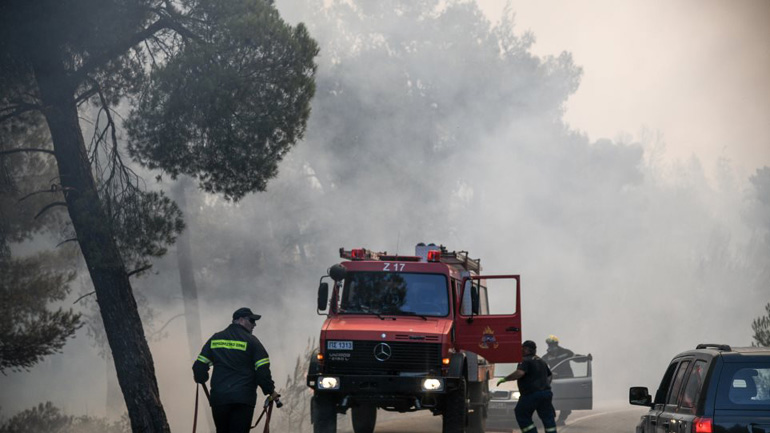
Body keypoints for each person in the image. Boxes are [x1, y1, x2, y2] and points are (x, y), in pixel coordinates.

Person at [193, 307, 279, 433]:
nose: (254, 324)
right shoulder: (252, 342)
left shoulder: (216, 339)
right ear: (240, 320)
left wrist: (202, 378)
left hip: (220, 399)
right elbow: (262, 371)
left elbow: (199, 367)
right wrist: (270, 391)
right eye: (252, 320)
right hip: (243, 399)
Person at [497, 340, 557, 433]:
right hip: (546, 394)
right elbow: (550, 375)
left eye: (522, 348)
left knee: (521, 413)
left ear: (525, 349)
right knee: (547, 417)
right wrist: (545, 384)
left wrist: (505, 379)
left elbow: (520, 373)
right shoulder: (541, 361)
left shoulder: (524, 360)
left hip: (531, 394)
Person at [541, 335, 574, 425]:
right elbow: (541, 367)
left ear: (557, 344)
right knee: (552, 399)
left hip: (567, 378)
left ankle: (562, 418)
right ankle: (552, 417)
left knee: (566, 399)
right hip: (554, 380)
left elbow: (576, 358)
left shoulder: (566, 352)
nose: (551, 346)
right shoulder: (546, 357)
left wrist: (586, 358)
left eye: (553, 344)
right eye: (549, 345)